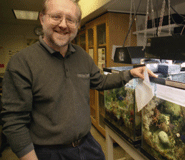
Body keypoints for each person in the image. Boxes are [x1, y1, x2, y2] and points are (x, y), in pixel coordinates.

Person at [1, 0, 157, 159]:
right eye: (56, 16)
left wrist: (130, 73)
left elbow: (100, 82)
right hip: (48, 152)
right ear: (42, 19)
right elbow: (14, 121)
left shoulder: (82, 56)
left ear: (77, 25)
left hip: (87, 145)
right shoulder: (22, 62)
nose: (63, 25)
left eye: (70, 20)